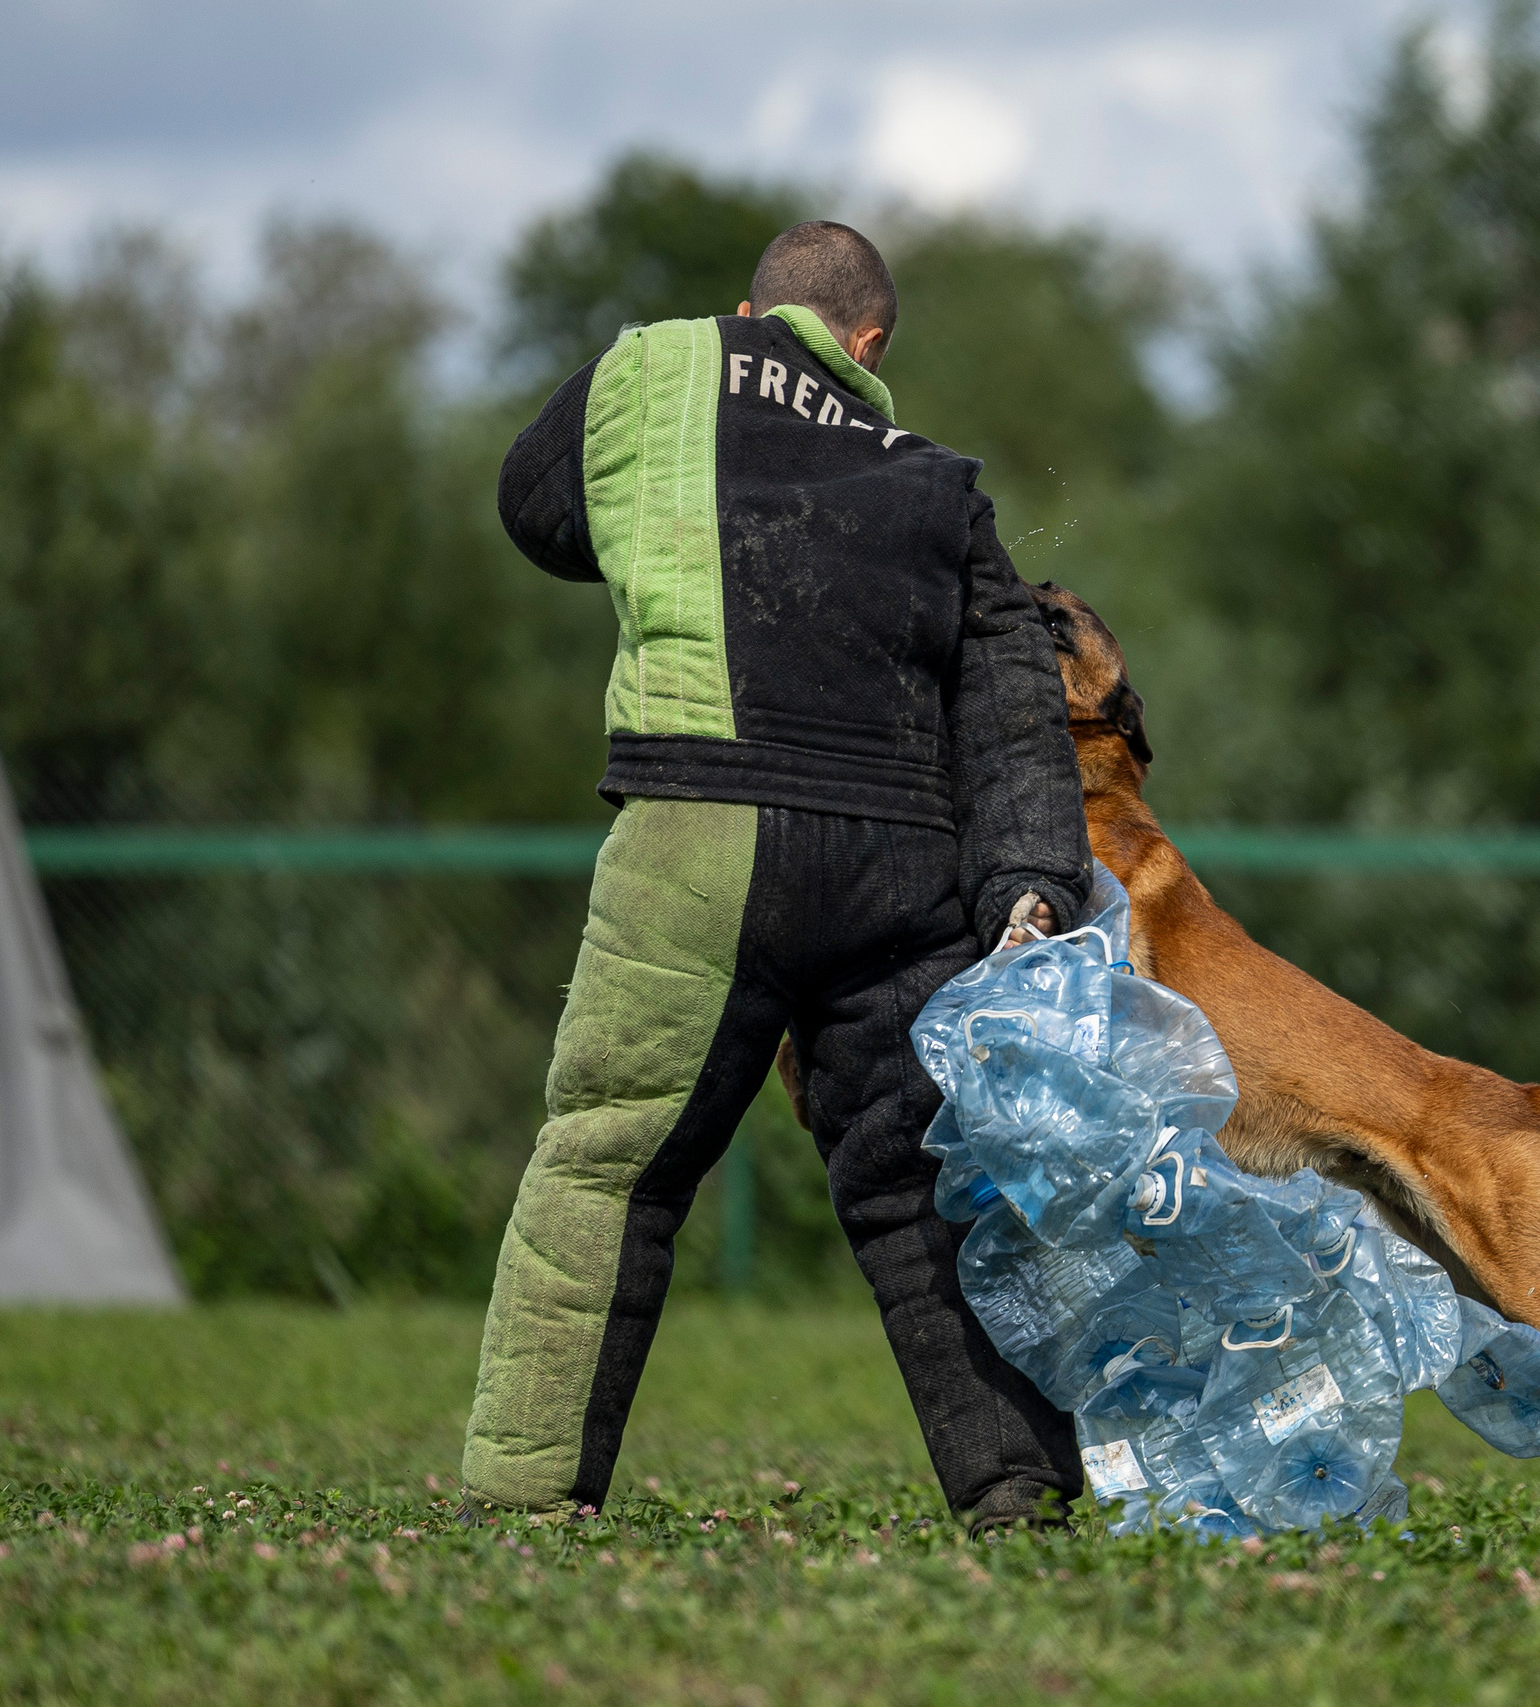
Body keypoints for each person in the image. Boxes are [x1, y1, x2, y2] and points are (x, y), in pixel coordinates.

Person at [459, 220, 1093, 1533]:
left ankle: (528, 1500)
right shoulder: (937, 484)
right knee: (930, 1192)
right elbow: (1014, 696)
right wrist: (1029, 883)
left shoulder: (659, 374)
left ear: (747, 312)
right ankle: (1016, 1495)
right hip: (895, 866)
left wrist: (667, 455)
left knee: (606, 1163)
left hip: (695, 832)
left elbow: (537, 507)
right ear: (869, 348)